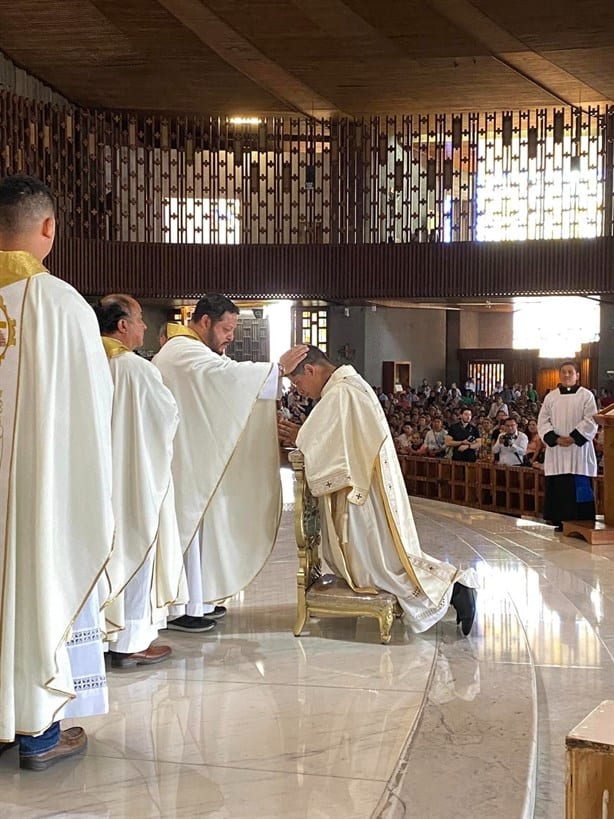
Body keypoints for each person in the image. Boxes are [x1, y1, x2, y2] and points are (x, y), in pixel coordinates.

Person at [0, 174, 114, 769]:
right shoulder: (65, 306)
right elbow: (92, 416)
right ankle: (38, 731)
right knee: (35, 585)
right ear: (48, 229)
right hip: (33, 497)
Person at [277, 347, 478, 635]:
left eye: (298, 384)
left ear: (310, 370)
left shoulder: (341, 393)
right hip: (364, 485)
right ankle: (452, 589)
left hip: (361, 493)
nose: (301, 391)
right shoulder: (345, 387)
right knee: (380, 560)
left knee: (377, 566)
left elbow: (335, 444)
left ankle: (455, 590)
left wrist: (301, 436)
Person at [153, 294, 307, 632]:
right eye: (226, 328)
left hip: (195, 455)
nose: (230, 337)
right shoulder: (182, 351)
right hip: (184, 460)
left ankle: (199, 600)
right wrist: (276, 369)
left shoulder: (194, 351)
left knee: (202, 529)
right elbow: (226, 376)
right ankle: (181, 608)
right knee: (190, 528)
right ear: (205, 321)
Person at [94, 294, 187, 667]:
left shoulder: (83, 359)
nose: (145, 327)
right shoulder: (134, 369)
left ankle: (97, 639)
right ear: (122, 326)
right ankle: (131, 641)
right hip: (131, 479)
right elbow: (166, 417)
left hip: (95, 481)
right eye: (139, 320)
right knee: (136, 550)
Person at [537, 361, 598, 531]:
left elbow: (591, 420)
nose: (566, 375)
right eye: (563, 372)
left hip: (578, 449)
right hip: (557, 449)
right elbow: (542, 421)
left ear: (577, 375)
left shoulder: (586, 396)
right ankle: (559, 520)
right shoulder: (551, 397)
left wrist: (574, 437)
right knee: (559, 485)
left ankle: (583, 522)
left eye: (570, 372)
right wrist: (554, 438)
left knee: (579, 484)